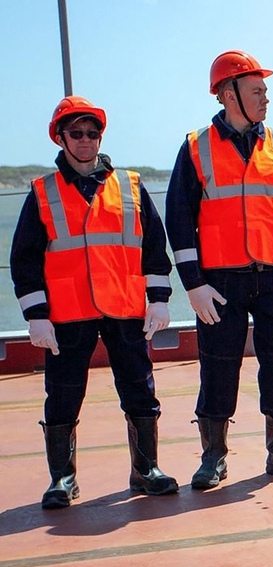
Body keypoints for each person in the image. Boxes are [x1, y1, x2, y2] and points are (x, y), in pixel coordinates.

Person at [10, 96, 178, 509]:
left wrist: (159, 299)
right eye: (77, 133)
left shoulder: (131, 186)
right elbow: (24, 259)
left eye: (93, 132)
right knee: (63, 393)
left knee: (139, 387)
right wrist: (36, 316)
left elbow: (155, 248)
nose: (86, 140)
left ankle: (146, 470)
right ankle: (62, 479)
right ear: (61, 138)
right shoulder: (42, 193)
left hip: (124, 308)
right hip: (68, 313)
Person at [166, 50, 273, 490]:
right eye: (257, 91)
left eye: (266, 91)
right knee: (217, 365)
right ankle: (213, 456)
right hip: (220, 280)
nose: (265, 98)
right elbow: (179, 218)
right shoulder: (196, 147)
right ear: (228, 94)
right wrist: (193, 284)